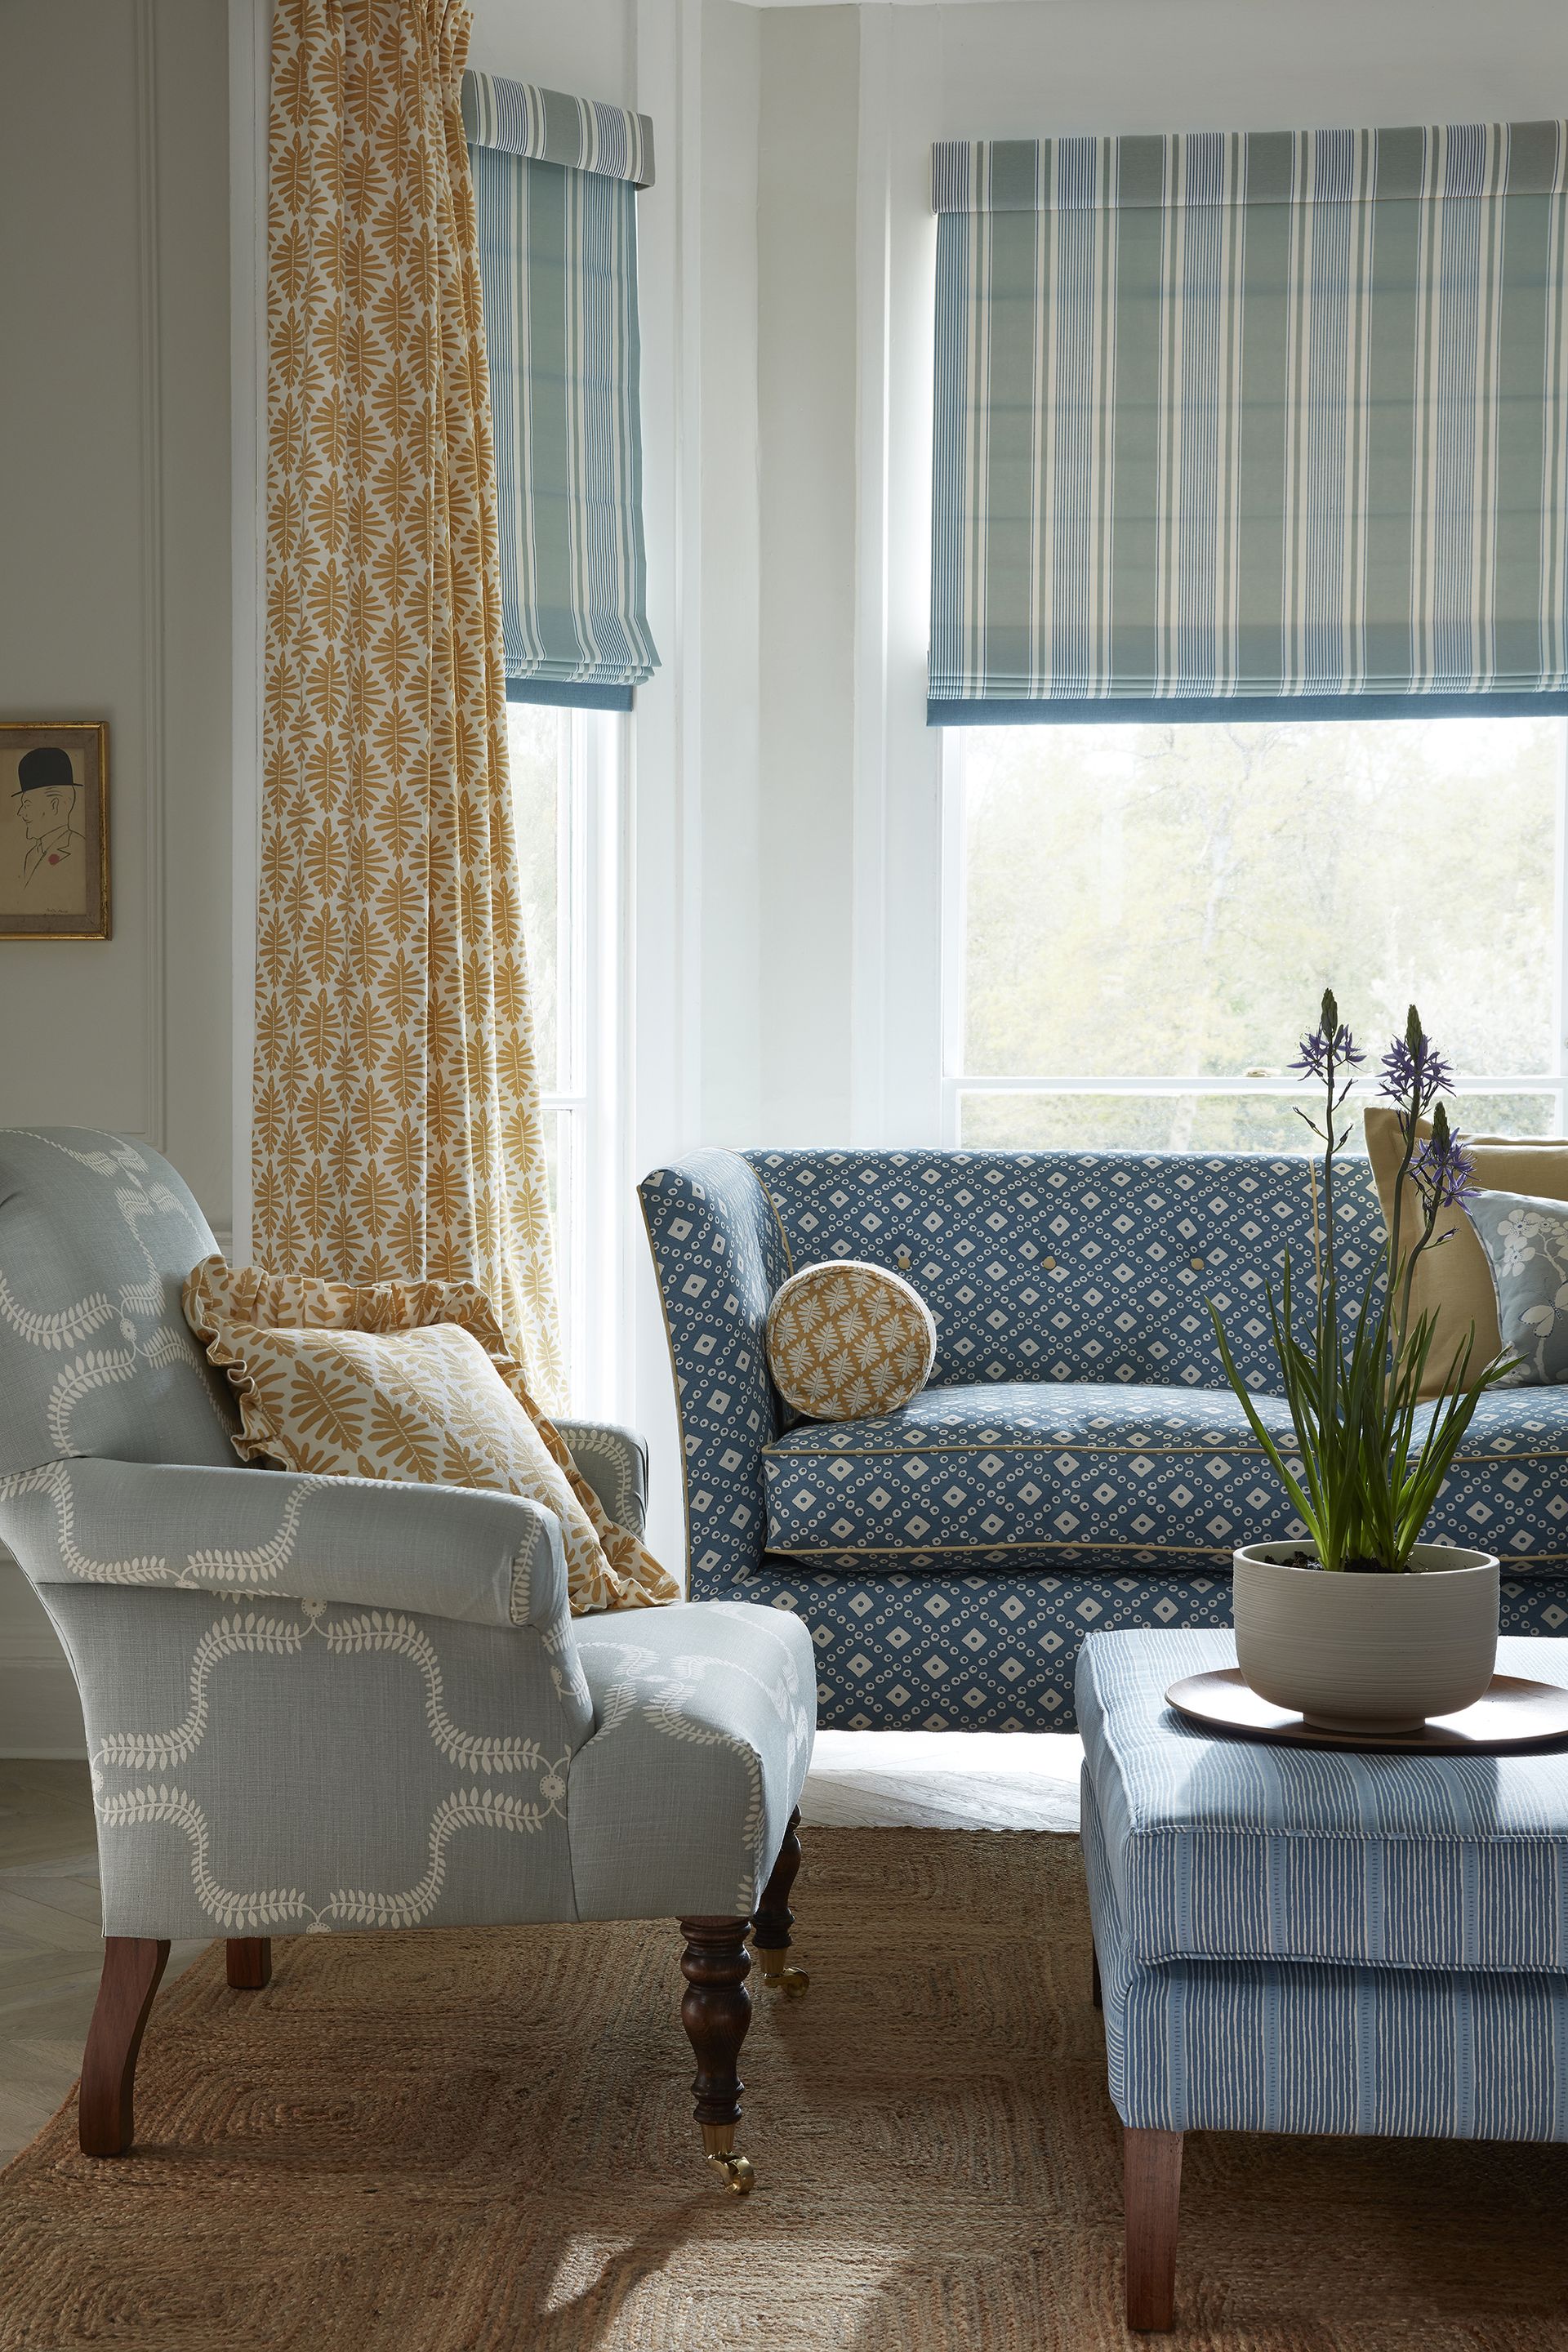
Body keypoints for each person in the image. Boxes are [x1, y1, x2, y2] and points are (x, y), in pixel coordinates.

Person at [13, 746, 82, 889]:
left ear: (54, 805)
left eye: (27, 804)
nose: (20, 812)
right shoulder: (31, 856)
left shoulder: (80, 850)